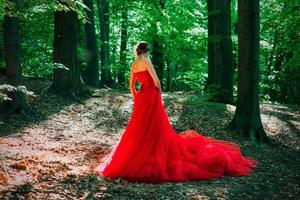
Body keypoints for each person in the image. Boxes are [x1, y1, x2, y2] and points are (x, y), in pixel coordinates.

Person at [94, 41, 257, 183]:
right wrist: (158, 93)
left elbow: (131, 86)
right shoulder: (146, 61)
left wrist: (137, 97)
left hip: (142, 97)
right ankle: (155, 151)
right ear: (146, 51)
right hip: (151, 95)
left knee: (139, 127)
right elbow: (156, 81)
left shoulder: (133, 64)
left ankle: (140, 153)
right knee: (157, 125)